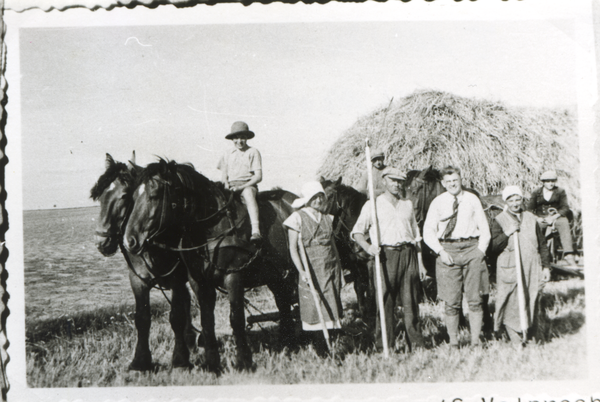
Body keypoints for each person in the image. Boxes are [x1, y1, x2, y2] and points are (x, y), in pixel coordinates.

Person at [351, 167, 427, 352]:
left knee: (411, 303)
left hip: (408, 254)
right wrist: (369, 247)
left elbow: (416, 236)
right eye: (392, 180)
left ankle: (416, 345)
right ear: (384, 181)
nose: (396, 184)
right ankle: (385, 344)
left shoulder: (407, 204)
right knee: (385, 301)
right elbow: (357, 232)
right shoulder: (373, 205)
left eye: (399, 181)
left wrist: (421, 263)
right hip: (385, 256)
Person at [423, 166, 490, 348]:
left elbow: (485, 229)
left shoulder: (472, 199)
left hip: (471, 249)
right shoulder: (438, 202)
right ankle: (453, 342)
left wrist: (480, 251)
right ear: (443, 184)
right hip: (448, 251)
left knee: (475, 299)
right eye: (449, 181)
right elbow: (427, 231)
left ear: (461, 180)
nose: (453, 184)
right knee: (451, 301)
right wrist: (441, 251)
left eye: (456, 180)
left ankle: (476, 341)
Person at [283, 181, 343, 354]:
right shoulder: (296, 218)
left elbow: (333, 247)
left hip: (330, 268)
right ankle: (321, 347)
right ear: (307, 199)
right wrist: (301, 271)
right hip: (311, 270)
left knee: (331, 304)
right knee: (315, 307)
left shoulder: (327, 218)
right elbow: (293, 248)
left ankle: (332, 341)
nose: (318, 200)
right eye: (314, 197)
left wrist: (339, 269)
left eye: (320, 197)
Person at [490, 186, 551, 344]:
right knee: (510, 300)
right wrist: (507, 233)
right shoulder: (499, 220)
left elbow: (542, 244)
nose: (515, 203)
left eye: (518, 199)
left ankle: (534, 335)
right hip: (510, 268)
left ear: (522, 200)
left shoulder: (531, 218)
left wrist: (546, 266)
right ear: (506, 201)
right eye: (511, 200)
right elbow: (493, 247)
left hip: (531, 267)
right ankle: (513, 336)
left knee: (533, 298)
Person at [218, 121, 263, 242]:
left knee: (248, 194)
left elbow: (258, 177)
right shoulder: (227, 153)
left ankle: (255, 230)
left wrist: (241, 187)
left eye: (243, 138)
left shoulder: (253, 152)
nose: (239, 141)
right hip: (231, 185)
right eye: (236, 138)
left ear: (247, 138)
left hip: (248, 185)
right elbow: (224, 174)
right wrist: (226, 184)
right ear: (232, 139)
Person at [526, 170, 577, 267]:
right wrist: (537, 218)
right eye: (548, 181)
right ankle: (537, 253)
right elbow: (529, 210)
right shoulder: (536, 192)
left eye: (553, 181)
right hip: (541, 218)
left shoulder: (560, 191)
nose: (551, 183)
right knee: (537, 228)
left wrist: (554, 217)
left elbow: (565, 207)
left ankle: (568, 254)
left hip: (556, 216)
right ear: (543, 182)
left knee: (564, 223)